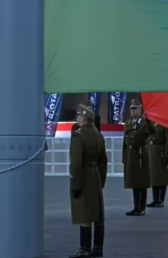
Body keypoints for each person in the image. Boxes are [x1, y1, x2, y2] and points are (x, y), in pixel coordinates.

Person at [68, 105, 108, 258]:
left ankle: (84, 249)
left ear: (83, 118)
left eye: (78, 116)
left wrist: (75, 184)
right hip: (95, 176)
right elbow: (104, 160)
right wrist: (101, 180)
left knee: (84, 213)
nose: (76, 119)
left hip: (83, 176)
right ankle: (98, 248)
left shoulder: (78, 136)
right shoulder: (98, 136)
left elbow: (76, 163)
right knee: (97, 214)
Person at [123, 99, 154, 216]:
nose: (132, 111)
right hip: (131, 154)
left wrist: (148, 119)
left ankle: (141, 207)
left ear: (140, 110)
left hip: (140, 154)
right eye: (131, 109)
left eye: (135, 108)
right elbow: (124, 142)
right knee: (134, 182)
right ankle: (136, 207)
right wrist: (124, 157)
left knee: (142, 183)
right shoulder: (128, 123)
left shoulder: (144, 123)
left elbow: (152, 131)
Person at [147, 122, 168, 208]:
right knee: (154, 177)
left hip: (160, 152)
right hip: (151, 152)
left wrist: (167, 155)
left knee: (162, 177)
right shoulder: (150, 123)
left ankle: (161, 200)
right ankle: (155, 200)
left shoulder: (165, 124)